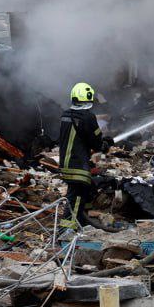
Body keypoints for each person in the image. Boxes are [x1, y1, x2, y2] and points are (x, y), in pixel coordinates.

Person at [58, 82, 112, 231]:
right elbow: (96, 142)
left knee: (86, 191)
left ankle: (83, 222)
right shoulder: (88, 117)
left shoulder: (66, 114)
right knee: (76, 197)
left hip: (65, 164)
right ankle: (67, 231)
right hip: (78, 166)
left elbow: (80, 138)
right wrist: (105, 144)